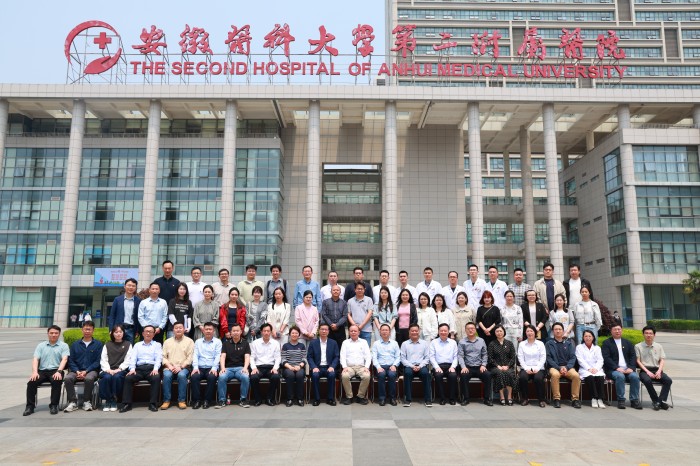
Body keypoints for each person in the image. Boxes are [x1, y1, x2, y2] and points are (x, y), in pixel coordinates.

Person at [24, 325, 69, 416]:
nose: (53, 335)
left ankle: (54, 405)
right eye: (51, 333)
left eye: (56, 333)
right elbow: (35, 359)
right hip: (42, 371)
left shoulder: (64, 346)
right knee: (31, 382)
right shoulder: (41, 345)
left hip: (56, 370)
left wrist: (59, 371)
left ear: (59, 334)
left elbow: (64, 359)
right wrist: (35, 372)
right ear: (48, 334)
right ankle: (30, 407)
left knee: (57, 381)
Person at [63, 321, 103, 412]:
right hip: (76, 370)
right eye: (85, 329)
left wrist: (86, 371)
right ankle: (73, 402)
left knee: (89, 378)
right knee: (68, 378)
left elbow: (98, 361)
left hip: (91, 370)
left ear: (93, 330)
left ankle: (86, 401)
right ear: (82, 330)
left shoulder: (98, 344)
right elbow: (71, 360)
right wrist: (77, 371)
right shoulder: (75, 345)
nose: (87, 331)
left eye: (89, 329)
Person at [120, 325, 162, 413]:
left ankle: (153, 403)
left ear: (153, 334)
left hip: (151, 368)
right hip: (139, 369)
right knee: (128, 378)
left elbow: (158, 358)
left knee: (156, 378)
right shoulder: (137, 345)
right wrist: (132, 369)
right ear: (143, 333)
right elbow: (133, 358)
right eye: (146, 331)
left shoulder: (157, 345)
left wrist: (155, 369)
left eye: (150, 332)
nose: (148, 333)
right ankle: (127, 404)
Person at [602, 324, 642, 410]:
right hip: (613, 370)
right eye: (615, 329)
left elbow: (633, 356)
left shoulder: (627, 343)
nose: (617, 331)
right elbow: (606, 358)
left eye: (619, 329)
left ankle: (634, 400)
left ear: (621, 330)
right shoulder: (607, 343)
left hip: (628, 369)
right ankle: (621, 400)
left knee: (635, 377)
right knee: (620, 376)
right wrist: (616, 368)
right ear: (611, 331)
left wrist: (631, 368)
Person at [635, 325, 673, 411]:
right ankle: (657, 401)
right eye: (646, 333)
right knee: (647, 381)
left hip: (657, 370)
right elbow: (638, 361)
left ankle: (659, 402)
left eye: (650, 333)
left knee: (668, 380)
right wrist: (647, 372)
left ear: (654, 335)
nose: (648, 335)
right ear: (643, 334)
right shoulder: (638, 346)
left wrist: (659, 371)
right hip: (644, 370)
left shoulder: (659, 346)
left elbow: (662, 360)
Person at [545, 322, 581, 408]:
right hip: (554, 367)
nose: (558, 331)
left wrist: (567, 367)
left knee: (576, 376)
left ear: (563, 331)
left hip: (567, 367)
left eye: (560, 329)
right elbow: (548, 358)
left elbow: (573, 357)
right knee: (555, 375)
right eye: (556, 329)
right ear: (553, 331)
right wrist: (559, 368)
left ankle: (575, 400)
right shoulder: (549, 344)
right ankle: (556, 399)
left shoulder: (569, 343)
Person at [160, 322, 194, 410]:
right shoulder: (167, 342)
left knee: (182, 375)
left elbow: (190, 357)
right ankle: (166, 401)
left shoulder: (189, 341)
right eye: (176, 328)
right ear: (173, 330)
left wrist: (181, 367)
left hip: (184, 367)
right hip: (169, 367)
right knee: (167, 376)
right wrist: (170, 366)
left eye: (180, 328)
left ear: (184, 329)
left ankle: (181, 400)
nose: (178, 329)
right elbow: (163, 357)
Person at [458, 322, 493, 406]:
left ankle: (487, 399)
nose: (470, 330)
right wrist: (463, 367)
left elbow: (485, 354)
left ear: (475, 330)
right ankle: (465, 398)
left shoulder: (481, 341)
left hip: (479, 367)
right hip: (467, 367)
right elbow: (460, 356)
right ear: (465, 330)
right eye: (468, 329)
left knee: (488, 375)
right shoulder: (462, 342)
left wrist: (483, 365)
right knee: (463, 376)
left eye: (472, 328)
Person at [99, 324, 132, 412]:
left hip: (121, 370)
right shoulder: (107, 345)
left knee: (117, 377)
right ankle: (108, 400)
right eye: (116, 332)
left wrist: (119, 369)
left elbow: (128, 360)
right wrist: (108, 370)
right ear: (112, 333)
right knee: (107, 377)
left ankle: (114, 399)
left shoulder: (128, 344)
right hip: (107, 369)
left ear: (123, 333)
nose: (118, 334)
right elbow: (103, 359)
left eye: (120, 332)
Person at [217, 323, 251, 408]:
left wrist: (245, 368)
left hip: (240, 368)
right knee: (222, 377)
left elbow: (247, 357)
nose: (236, 332)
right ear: (231, 332)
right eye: (234, 331)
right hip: (228, 369)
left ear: (241, 332)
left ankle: (243, 400)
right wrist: (222, 368)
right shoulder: (225, 343)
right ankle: (222, 400)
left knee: (245, 377)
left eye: (237, 331)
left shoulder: (245, 343)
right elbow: (223, 356)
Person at [189, 322, 221, 409]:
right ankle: (197, 400)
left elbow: (218, 356)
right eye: (206, 329)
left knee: (212, 377)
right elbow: (195, 355)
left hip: (211, 367)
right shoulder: (198, 342)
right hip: (200, 367)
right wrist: (195, 367)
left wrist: (214, 368)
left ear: (213, 331)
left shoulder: (217, 342)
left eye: (210, 329)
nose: (208, 331)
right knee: (194, 377)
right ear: (203, 331)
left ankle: (207, 400)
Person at [307, 323, 340, 406]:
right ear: (319, 331)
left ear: (328, 331)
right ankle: (317, 399)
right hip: (317, 367)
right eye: (322, 329)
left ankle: (330, 399)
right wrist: (314, 367)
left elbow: (336, 356)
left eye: (326, 329)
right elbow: (309, 357)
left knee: (332, 375)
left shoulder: (333, 343)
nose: (324, 331)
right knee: (315, 376)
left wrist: (332, 366)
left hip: (329, 367)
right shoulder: (313, 343)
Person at [400, 324, 432, 407]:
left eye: (416, 331)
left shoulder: (425, 343)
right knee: (407, 373)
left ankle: (428, 400)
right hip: (409, 366)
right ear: (409, 332)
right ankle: (408, 399)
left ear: (419, 332)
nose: (414, 332)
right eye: (412, 331)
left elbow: (427, 357)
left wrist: (420, 366)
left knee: (426, 374)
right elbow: (403, 358)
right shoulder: (405, 344)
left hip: (421, 366)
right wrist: (412, 366)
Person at [250, 323, 281, 406]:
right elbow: (252, 357)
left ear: (270, 332)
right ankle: (258, 399)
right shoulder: (255, 343)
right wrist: (254, 368)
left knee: (275, 377)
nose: (266, 333)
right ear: (261, 332)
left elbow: (278, 358)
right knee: (253, 377)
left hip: (271, 367)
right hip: (258, 367)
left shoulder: (275, 343)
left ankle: (269, 398)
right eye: (264, 331)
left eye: (268, 331)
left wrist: (275, 368)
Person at [340, 325, 372, 405]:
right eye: (351, 331)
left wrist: (366, 367)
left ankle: (360, 396)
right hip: (349, 367)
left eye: (355, 331)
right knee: (345, 376)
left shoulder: (364, 342)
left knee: (367, 376)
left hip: (361, 367)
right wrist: (344, 367)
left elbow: (368, 356)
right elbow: (342, 356)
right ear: (349, 332)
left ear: (359, 332)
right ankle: (349, 397)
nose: (353, 332)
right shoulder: (345, 342)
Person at [533, 263, 566, 338]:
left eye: (550, 270)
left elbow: (563, 296)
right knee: (543, 332)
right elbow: (536, 297)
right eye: (546, 270)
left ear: (553, 271)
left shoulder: (558, 283)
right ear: (543, 271)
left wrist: (560, 308)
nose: (548, 271)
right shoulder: (537, 284)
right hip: (543, 312)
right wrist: (543, 308)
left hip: (556, 311)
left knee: (557, 330)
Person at [517, 325, 547, 407]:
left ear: (535, 332)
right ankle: (525, 399)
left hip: (538, 368)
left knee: (538, 378)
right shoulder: (522, 344)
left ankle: (541, 400)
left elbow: (543, 357)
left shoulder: (540, 344)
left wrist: (537, 368)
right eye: (528, 331)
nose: (529, 333)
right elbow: (520, 358)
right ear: (525, 333)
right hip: (526, 368)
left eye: (531, 331)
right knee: (522, 377)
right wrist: (526, 368)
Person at [576, 329, 606, 409]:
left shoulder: (597, 348)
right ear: (583, 337)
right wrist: (589, 368)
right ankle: (594, 398)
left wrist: (596, 368)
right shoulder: (579, 347)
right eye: (586, 336)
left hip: (596, 369)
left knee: (600, 377)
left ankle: (600, 399)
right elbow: (580, 360)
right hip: (585, 369)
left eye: (590, 336)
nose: (588, 338)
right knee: (590, 377)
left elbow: (600, 360)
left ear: (593, 337)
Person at [488, 325, 517, 406]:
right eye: (497, 331)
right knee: (499, 373)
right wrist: (498, 366)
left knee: (510, 373)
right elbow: (490, 358)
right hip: (495, 367)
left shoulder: (509, 343)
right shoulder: (492, 344)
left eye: (501, 331)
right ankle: (502, 396)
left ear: (504, 332)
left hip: (508, 366)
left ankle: (509, 396)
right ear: (495, 333)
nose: (499, 333)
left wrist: (507, 366)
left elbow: (513, 357)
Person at [372, 324, 401, 406]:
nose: (384, 332)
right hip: (381, 366)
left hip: (392, 366)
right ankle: (382, 398)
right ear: (380, 332)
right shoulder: (376, 344)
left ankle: (392, 398)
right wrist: (378, 367)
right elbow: (374, 358)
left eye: (386, 330)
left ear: (390, 332)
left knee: (392, 375)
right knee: (381, 375)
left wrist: (394, 365)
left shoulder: (394, 343)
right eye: (383, 330)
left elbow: (398, 357)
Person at [430, 323, 458, 405]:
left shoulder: (453, 342)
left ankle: (452, 398)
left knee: (453, 376)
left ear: (448, 332)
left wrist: (453, 367)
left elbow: (456, 357)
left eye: (445, 331)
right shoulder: (433, 342)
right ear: (438, 331)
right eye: (441, 331)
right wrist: (436, 367)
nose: (443, 332)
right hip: (438, 366)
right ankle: (442, 398)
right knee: (438, 376)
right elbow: (431, 357)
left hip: (450, 366)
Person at [109, 278, 141, 343]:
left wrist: (137, 330)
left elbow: (139, 317)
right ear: (125, 286)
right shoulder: (117, 300)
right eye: (129, 285)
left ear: (135, 288)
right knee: (117, 347)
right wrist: (111, 329)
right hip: (118, 329)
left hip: (131, 329)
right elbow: (112, 316)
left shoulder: (138, 301)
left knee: (129, 347)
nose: (131, 287)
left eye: (133, 286)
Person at [281, 326, 307, 407]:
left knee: (300, 375)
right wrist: (289, 367)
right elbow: (283, 359)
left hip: (299, 367)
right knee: (290, 375)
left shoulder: (302, 345)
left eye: (296, 333)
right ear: (289, 334)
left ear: (299, 335)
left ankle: (300, 399)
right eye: (292, 333)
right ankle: (289, 399)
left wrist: (299, 366)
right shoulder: (285, 346)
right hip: (288, 367)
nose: (294, 334)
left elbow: (304, 358)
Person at [321, 284, 348, 351]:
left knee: (341, 348)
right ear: (331, 291)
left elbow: (345, 316)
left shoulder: (344, 303)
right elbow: (324, 314)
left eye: (337, 290)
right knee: (329, 348)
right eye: (334, 290)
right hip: (329, 328)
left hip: (340, 328)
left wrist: (337, 325)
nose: (336, 291)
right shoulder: (325, 302)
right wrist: (331, 324)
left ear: (340, 292)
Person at [347, 282, 374, 348]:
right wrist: (354, 325)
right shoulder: (350, 301)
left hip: (366, 329)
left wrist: (362, 325)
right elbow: (348, 314)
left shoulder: (369, 300)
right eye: (358, 289)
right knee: (354, 349)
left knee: (366, 349)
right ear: (355, 290)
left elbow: (370, 313)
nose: (360, 290)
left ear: (364, 290)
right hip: (354, 330)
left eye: (361, 289)